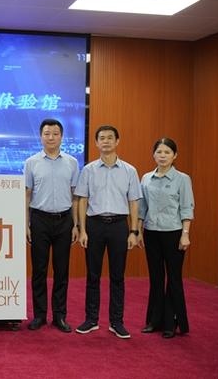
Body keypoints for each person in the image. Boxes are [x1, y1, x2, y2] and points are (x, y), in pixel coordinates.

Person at [74, 125, 142, 339]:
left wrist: (133, 231)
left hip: (119, 226)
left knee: (117, 276)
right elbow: (82, 200)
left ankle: (116, 322)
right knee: (92, 275)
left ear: (117, 141)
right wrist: (82, 230)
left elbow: (133, 202)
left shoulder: (129, 170)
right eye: (101, 138)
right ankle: (91, 319)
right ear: (96, 143)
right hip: (94, 225)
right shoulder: (88, 170)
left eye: (110, 138)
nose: (106, 141)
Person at [23, 119, 79, 333]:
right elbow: (26, 195)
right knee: (39, 270)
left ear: (61, 137)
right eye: (47, 133)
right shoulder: (31, 162)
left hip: (64, 220)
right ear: (41, 136)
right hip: (39, 220)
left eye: (55, 133)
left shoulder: (72, 162)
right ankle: (39, 315)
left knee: (61, 270)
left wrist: (76, 225)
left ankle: (59, 316)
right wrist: (26, 224)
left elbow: (75, 197)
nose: (51, 137)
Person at [138, 137, 194, 338]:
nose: (162, 156)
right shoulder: (146, 178)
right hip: (151, 233)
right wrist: (138, 231)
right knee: (156, 278)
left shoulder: (182, 179)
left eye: (167, 152)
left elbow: (187, 208)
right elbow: (142, 208)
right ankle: (154, 321)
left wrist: (185, 234)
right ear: (154, 155)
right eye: (159, 152)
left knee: (174, 278)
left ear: (174, 155)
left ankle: (171, 323)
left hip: (174, 233)